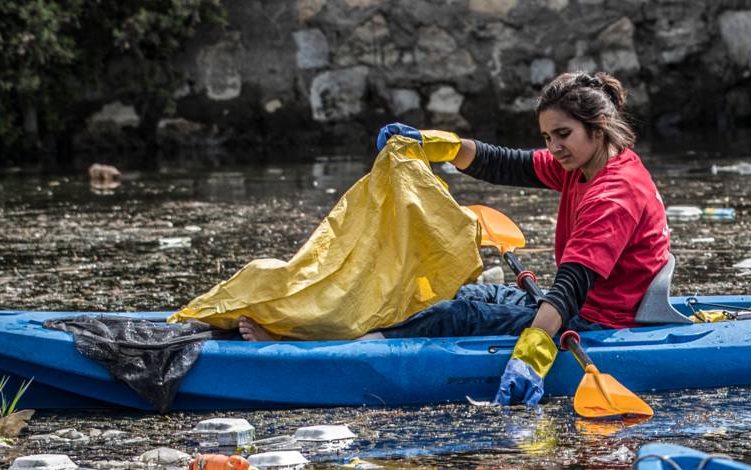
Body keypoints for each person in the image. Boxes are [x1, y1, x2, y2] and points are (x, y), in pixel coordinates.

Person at [243, 71, 670, 407]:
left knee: (457, 314)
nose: (554, 146)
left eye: (563, 134)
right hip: (581, 306)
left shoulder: (613, 194)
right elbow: (507, 163)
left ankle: (316, 354)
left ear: (598, 129)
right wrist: (437, 145)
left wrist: (531, 358)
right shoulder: (585, 163)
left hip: (598, 322)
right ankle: (338, 335)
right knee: (463, 292)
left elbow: (569, 287)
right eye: (547, 137)